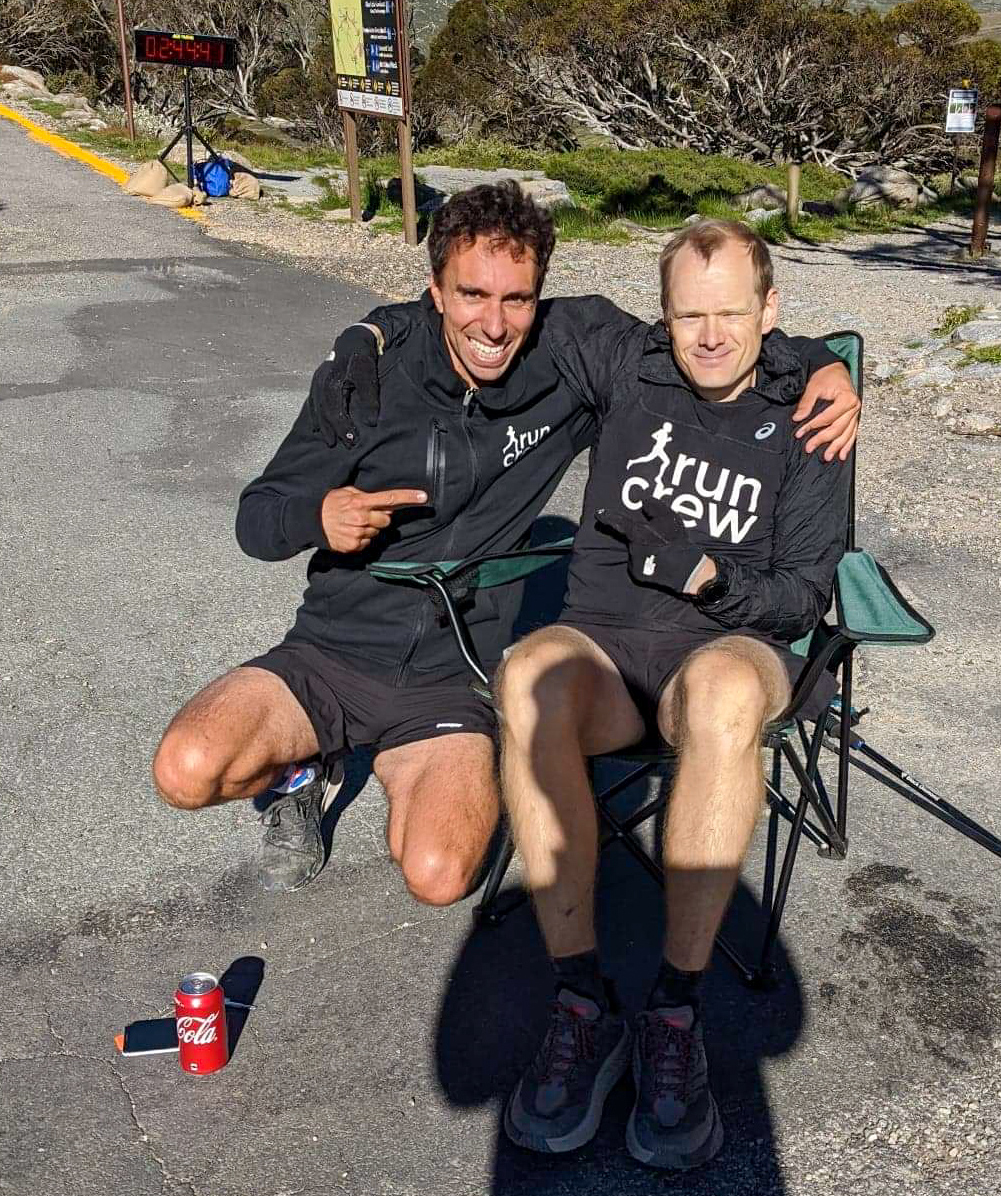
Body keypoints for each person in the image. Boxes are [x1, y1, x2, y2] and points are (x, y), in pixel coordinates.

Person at [153, 185, 859, 908]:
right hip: (330, 651)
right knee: (185, 770)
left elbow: (705, 336)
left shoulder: (563, 361)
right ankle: (303, 769)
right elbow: (257, 519)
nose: (493, 324)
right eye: (471, 294)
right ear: (435, 291)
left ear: (537, 299)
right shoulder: (368, 378)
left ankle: (411, 760)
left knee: (439, 876)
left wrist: (821, 363)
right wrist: (317, 514)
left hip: (456, 674)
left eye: (516, 299)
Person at [495, 219, 852, 1170]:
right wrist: (375, 336)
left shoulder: (810, 411)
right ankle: (583, 1000)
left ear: (769, 310)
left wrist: (711, 580)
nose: (710, 335)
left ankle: (675, 1012)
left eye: (731, 312)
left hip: (728, 648)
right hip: (607, 647)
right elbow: (490, 303)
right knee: (527, 674)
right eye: (690, 315)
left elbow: (802, 594)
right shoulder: (626, 360)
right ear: (663, 314)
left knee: (728, 691)